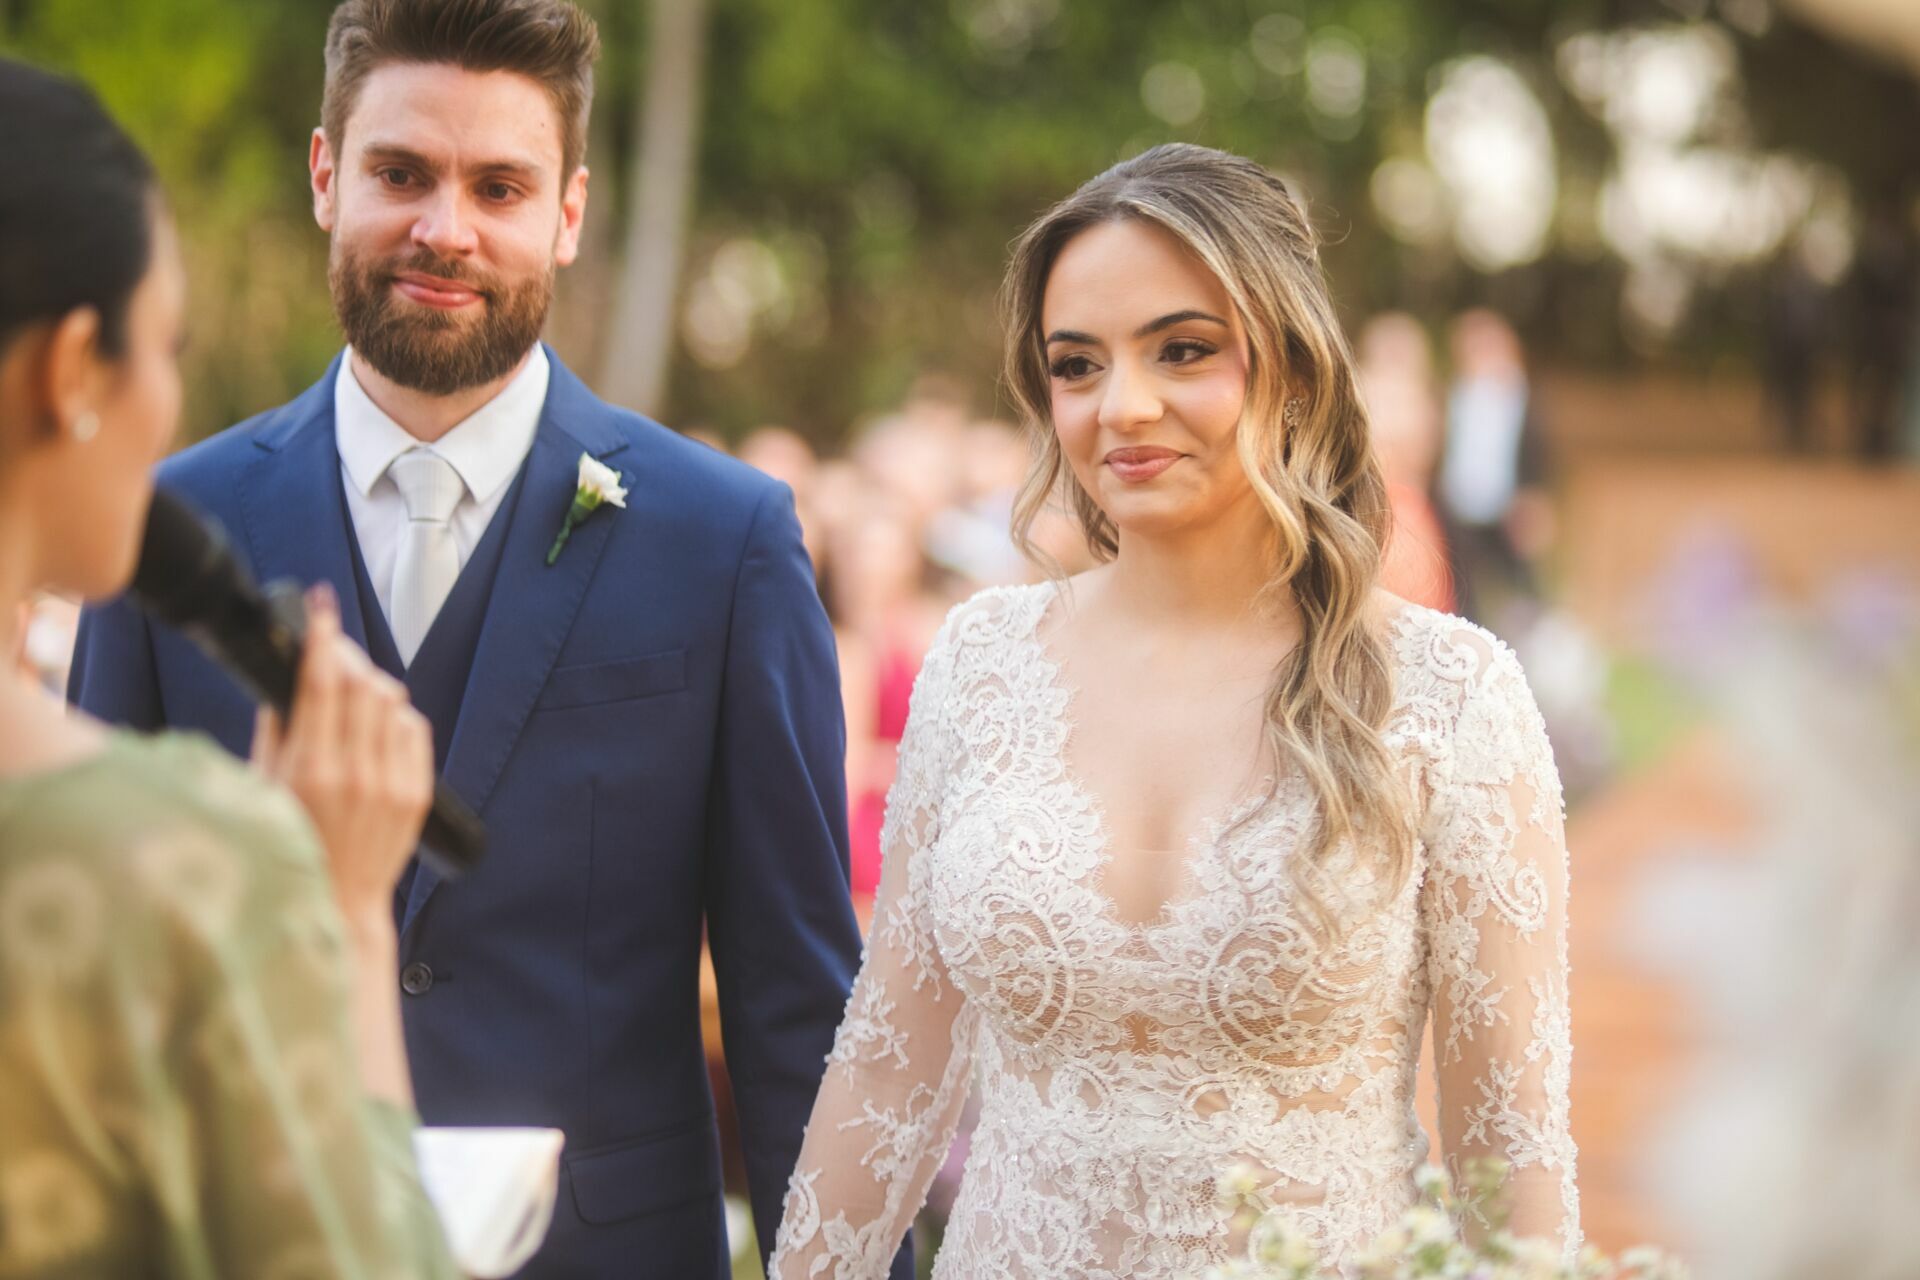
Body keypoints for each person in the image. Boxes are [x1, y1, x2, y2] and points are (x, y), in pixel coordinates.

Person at [66, 3, 898, 1277]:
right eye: (401, 173)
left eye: (497, 186)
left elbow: (797, 1007)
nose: (444, 229)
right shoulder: (166, 523)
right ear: (326, 175)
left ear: (566, 212)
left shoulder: (723, 540)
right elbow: (102, 979)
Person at [769, 144, 1577, 1277]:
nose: (1122, 407)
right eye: (1077, 364)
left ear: (1291, 364)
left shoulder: (1450, 695)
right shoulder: (981, 663)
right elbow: (891, 1065)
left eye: (1182, 350)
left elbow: (1511, 1153)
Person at [0, 57, 457, 1277]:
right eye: (168, 342)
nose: (175, 398)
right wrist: (349, 911)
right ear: (72, 369)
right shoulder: (185, 857)